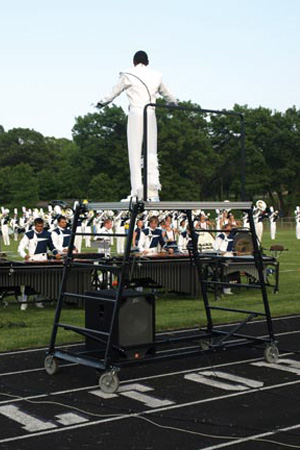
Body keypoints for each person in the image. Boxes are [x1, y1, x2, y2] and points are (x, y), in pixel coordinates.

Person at [97, 50, 177, 201]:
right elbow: (169, 95)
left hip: (136, 112)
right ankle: (153, 191)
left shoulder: (128, 73)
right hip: (151, 113)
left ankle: (137, 191)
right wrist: (174, 102)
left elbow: (114, 92)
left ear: (134, 62)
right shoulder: (156, 75)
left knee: (134, 152)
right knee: (151, 152)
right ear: (147, 62)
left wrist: (102, 102)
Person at [18, 217, 60, 310]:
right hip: (32, 261)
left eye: (41, 226)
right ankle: (24, 301)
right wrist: (25, 255)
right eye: (38, 226)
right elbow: (20, 248)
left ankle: (39, 300)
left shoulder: (47, 234)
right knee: (29, 282)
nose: (40, 228)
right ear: (34, 225)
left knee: (43, 282)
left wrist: (56, 253)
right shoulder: (29, 234)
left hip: (43, 260)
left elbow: (51, 246)